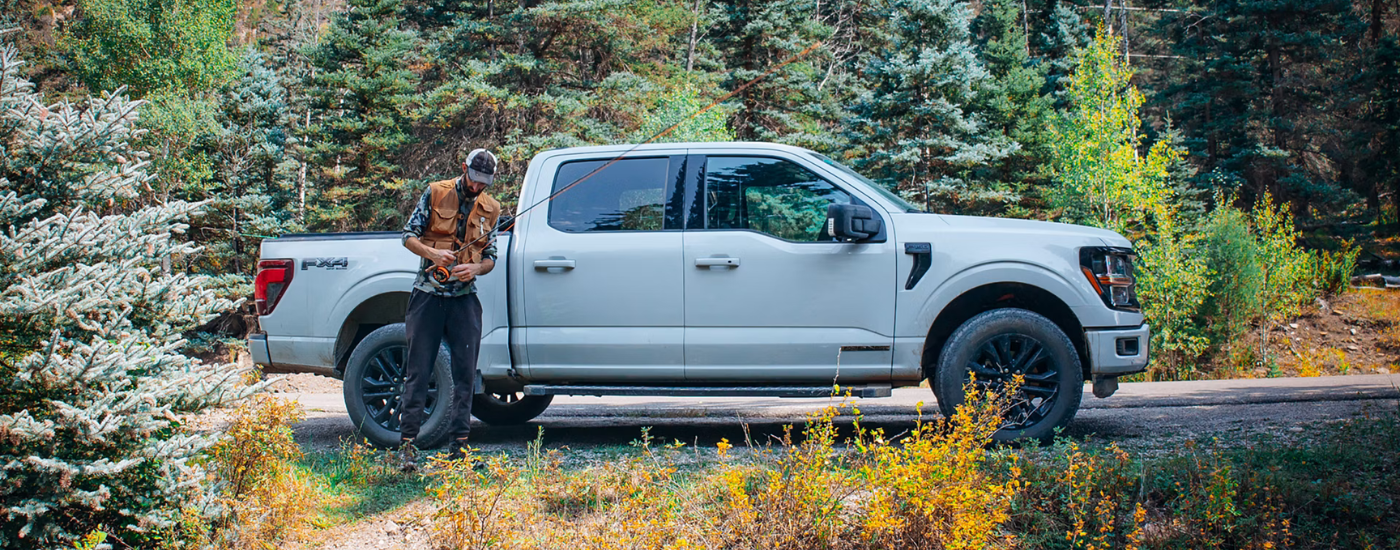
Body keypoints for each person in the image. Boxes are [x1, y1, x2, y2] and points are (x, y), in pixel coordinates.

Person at [396, 148, 501, 471]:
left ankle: (460, 447)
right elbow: (407, 236)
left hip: (464, 300)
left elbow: (491, 257)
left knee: (465, 376)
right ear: (463, 168)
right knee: (418, 373)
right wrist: (432, 254)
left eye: (483, 183)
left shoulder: (492, 209)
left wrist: (476, 269)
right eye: (474, 179)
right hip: (427, 296)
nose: (477, 187)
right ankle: (407, 448)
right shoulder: (435, 192)